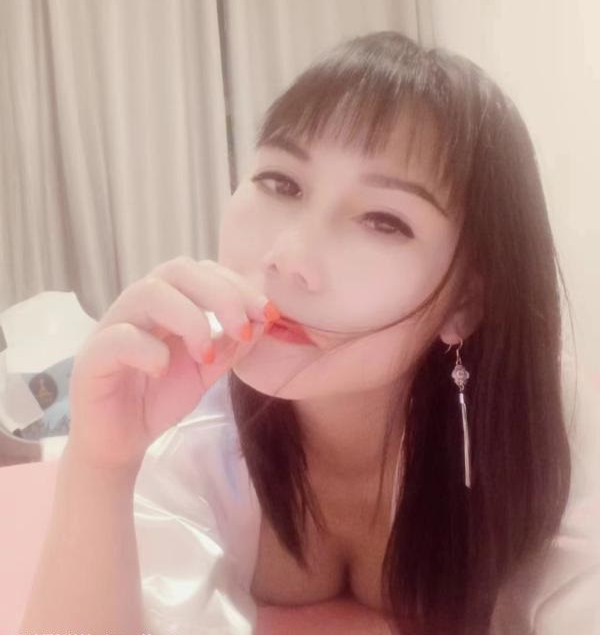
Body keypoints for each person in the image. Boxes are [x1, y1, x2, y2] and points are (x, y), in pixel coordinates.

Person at [19, 32, 599, 635]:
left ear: (466, 304)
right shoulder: (192, 418)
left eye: (383, 220)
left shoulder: (544, 427)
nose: (288, 255)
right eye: (282, 183)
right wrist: (100, 463)